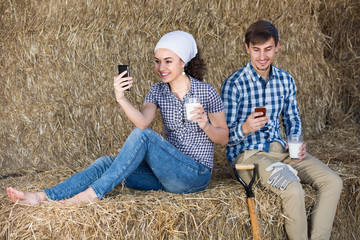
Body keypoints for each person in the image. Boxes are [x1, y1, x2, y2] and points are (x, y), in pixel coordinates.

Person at [7, 30, 229, 205]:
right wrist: (120, 97)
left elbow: (223, 138)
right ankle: (43, 197)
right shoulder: (157, 91)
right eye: (157, 61)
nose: (160, 67)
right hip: (166, 178)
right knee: (106, 163)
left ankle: (93, 194)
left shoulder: (206, 91)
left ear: (184, 62)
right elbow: (142, 122)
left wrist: (205, 125)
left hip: (195, 176)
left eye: (168, 61)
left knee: (145, 137)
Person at [220, 20, 342, 240]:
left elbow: (292, 118)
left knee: (333, 182)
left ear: (277, 46)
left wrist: (296, 140)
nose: (262, 56)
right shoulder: (234, 84)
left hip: (281, 151)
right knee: (293, 189)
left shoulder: (286, 80)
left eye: (268, 49)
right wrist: (245, 128)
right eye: (256, 50)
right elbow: (223, 137)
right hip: (248, 156)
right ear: (247, 48)